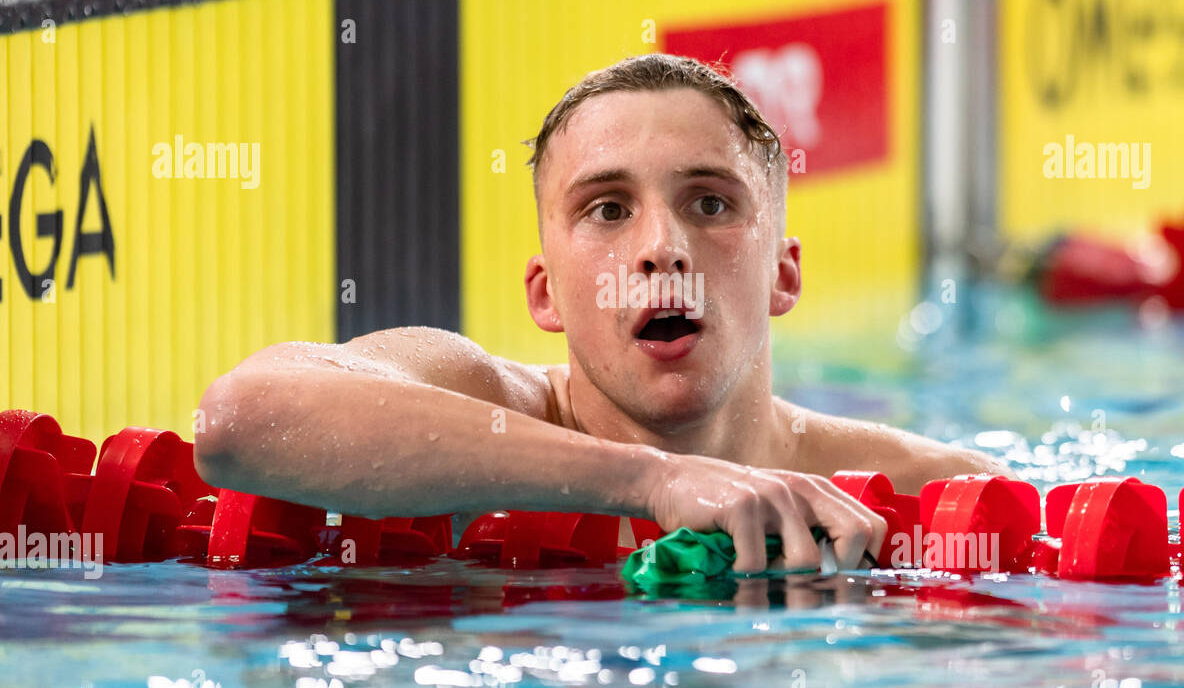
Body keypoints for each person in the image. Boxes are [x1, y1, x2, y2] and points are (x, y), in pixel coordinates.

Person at [194, 53, 1009, 573]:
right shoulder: (478, 407)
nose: (664, 248)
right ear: (546, 293)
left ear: (783, 276)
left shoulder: (929, 496)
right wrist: (653, 483)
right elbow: (237, 421)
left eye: (711, 203)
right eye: (609, 211)